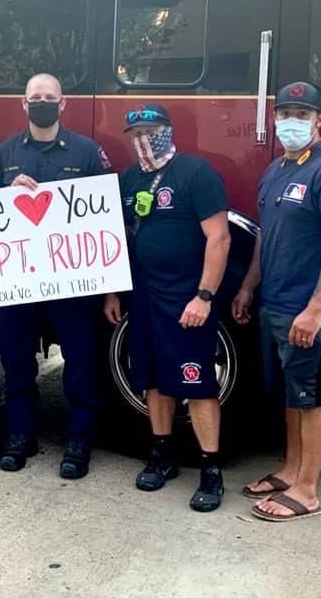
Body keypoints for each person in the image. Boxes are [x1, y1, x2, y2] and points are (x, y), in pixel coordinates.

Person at [232, 82, 321, 522]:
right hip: (275, 301)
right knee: (292, 394)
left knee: (312, 399)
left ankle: (307, 490)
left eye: (302, 114)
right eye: (285, 112)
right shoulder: (276, 170)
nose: (292, 121)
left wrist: (316, 307)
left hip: (310, 309)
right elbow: (265, 235)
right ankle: (290, 470)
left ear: (319, 120)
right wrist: (250, 286)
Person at [0, 73, 111, 479]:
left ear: (63, 103)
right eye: (34, 97)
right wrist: (6, 190)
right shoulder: (5, 153)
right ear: (23, 104)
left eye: (48, 97)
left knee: (80, 361)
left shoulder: (88, 151)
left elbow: (107, 211)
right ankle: (21, 434)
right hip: (18, 282)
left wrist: (109, 288)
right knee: (17, 360)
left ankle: (79, 439)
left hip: (72, 284)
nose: (41, 102)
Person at [105, 103, 231, 511]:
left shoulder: (197, 173)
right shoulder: (128, 179)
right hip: (142, 296)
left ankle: (210, 469)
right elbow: (117, 238)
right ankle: (161, 455)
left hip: (186, 300)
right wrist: (112, 293)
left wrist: (205, 296)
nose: (144, 139)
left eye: (152, 129)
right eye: (136, 133)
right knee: (153, 381)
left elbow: (220, 238)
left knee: (197, 384)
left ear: (168, 131)